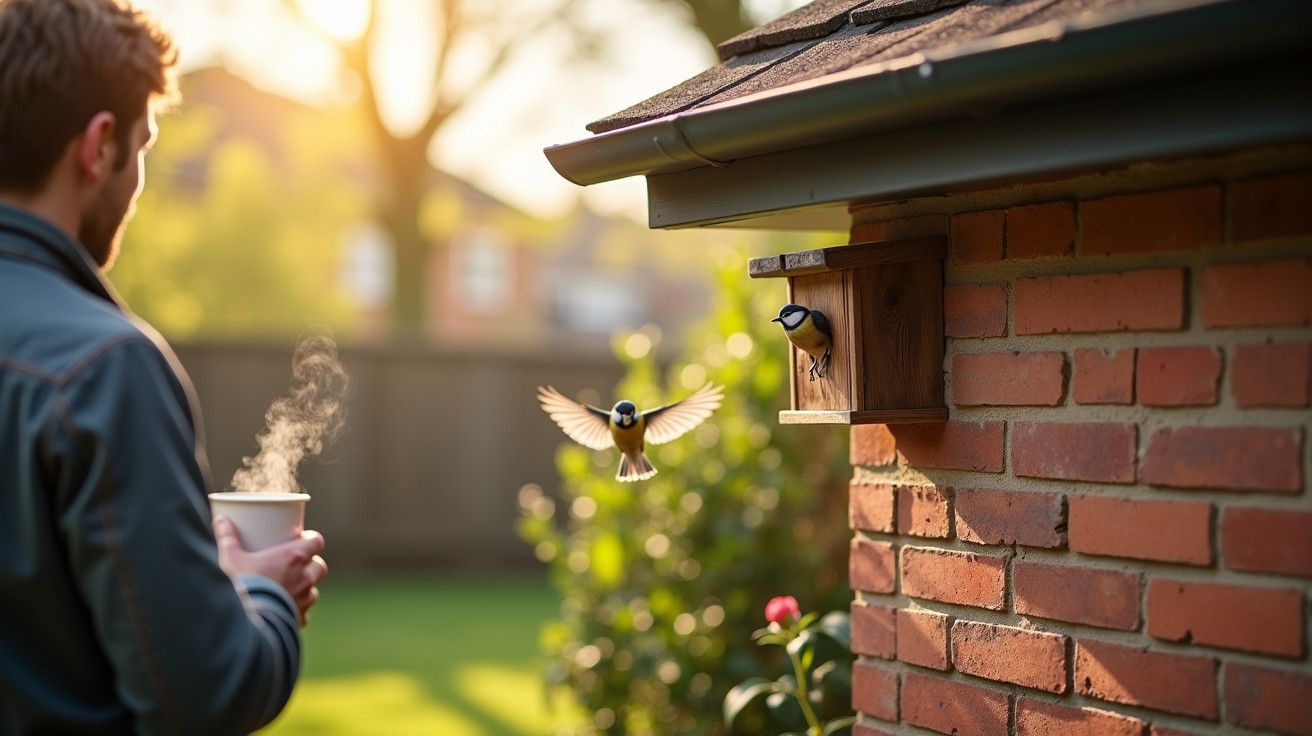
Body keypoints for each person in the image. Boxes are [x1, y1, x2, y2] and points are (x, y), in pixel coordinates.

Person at [0, 1, 328, 733]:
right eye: (144, 147)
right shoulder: (104, 369)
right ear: (100, 145)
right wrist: (261, 598)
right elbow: (200, 700)